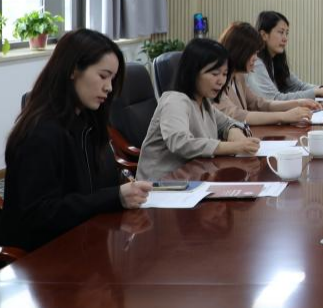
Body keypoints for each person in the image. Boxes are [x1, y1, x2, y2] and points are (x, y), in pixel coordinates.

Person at [0, 29, 151, 251]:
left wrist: (122, 192)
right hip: (45, 256)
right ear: (73, 70)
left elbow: (92, 190)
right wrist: (114, 197)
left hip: (87, 240)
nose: (109, 87)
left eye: (112, 79)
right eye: (103, 76)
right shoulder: (40, 133)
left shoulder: (88, 123)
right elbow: (39, 215)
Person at [137, 38, 261, 181]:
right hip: (161, 185)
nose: (221, 81)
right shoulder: (175, 101)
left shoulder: (204, 102)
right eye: (215, 74)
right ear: (193, 72)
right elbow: (180, 143)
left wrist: (235, 134)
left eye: (224, 74)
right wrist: (234, 147)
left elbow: (228, 123)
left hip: (193, 178)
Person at [215, 22, 314, 125]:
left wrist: (298, 103)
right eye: (253, 53)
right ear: (239, 51)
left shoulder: (238, 76)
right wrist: (283, 116)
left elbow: (258, 103)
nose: (256, 58)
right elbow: (237, 115)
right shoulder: (218, 81)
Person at [247, 11, 323, 102]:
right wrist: (316, 92)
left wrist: (322, 89)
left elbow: (298, 86)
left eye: (286, 33)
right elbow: (274, 99)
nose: (285, 38)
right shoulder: (256, 63)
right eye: (281, 32)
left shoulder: (275, 60)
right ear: (264, 35)